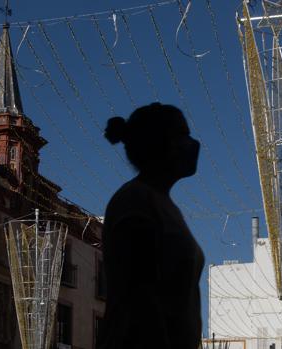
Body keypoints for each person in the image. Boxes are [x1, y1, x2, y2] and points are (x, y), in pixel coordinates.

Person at [98, 103, 205, 349]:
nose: (194, 144)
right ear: (160, 143)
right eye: (184, 135)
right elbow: (142, 298)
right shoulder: (137, 202)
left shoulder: (160, 203)